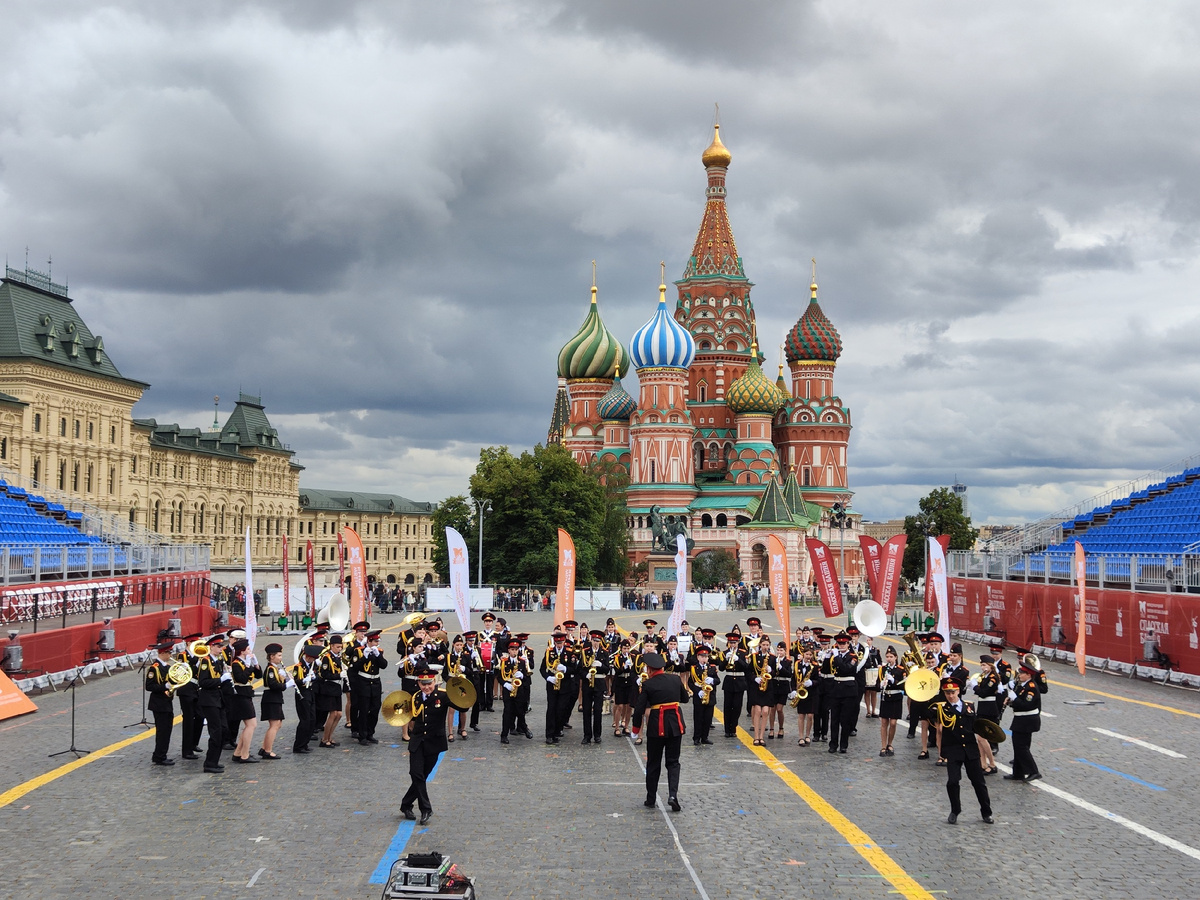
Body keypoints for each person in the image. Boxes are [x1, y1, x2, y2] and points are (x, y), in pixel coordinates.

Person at [631, 651, 687, 812]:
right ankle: (673, 796)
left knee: (653, 763)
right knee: (673, 762)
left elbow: (640, 708)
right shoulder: (675, 679)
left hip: (657, 726)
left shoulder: (648, 684)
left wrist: (635, 729)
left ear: (649, 669)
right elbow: (685, 699)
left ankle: (650, 798)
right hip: (675, 725)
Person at [937, 677, 994, 824]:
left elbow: (975, 727)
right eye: (947, 692)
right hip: (953, 750)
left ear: (958, 691)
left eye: (953, 692)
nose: (950, 695)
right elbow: (938, 729)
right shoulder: (941, 709)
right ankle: (955, 810)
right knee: (953, 781)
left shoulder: (969, 706)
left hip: (970, 749)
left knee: (979, 782)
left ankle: (986, 812)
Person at [400, 669, 448, 825]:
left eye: (429, 683)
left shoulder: (443, 695)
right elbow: (409, 715)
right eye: (423, 684)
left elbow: (462, 705)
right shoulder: (415, 698)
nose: (426, 687)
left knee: (422, 776)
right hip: (417, 741)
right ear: (418, 683)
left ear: (434, 682)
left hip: (434, 742)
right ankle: (426, 809)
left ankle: (406, 804)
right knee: (416, 773)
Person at [1004, 660, 1043, 783]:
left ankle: (1034, 771)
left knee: (1022, 747)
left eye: (1022, 673)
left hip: (1026, 721)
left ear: (1029, 675)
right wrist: (1010, 701)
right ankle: (1018, 773)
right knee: (1018, 746)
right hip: (1021, 719)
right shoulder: (1023, 685)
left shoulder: (1031, 687)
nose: (1019, 675)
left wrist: (1014, 700)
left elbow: (1026, 704)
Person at [195, 637, 229, 774]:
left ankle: (214, 760)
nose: (221, 648)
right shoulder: (205, 661)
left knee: (224, 730)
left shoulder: (218, 661)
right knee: (216, 732)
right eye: (218, 646)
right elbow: (203, 682)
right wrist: (220, 680)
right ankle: (210, 763)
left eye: (221, 645)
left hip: (218, 699)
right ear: (211, 647)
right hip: (209, 700)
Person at [826, 631, 861, 755]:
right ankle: (833, 744)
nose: (841, 645)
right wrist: (826, 658)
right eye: (839, 643)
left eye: (844, 643)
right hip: (836, 689)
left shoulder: (853, 657)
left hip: (848, 690)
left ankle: (844, 745)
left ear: (848, 644)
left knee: (845, 720)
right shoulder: (834, 656)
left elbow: (847, 669)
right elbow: (826, 669)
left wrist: (835, 657)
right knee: (834, 719)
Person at [352, 630, 388, 745]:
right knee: (363, 710)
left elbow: (384, 665)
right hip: (364, 682)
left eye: (378, 641)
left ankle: (370, 733)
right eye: (375, 641)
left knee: (375, 709)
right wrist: (365, 657)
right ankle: (362, 735)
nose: (377, 643)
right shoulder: (359, 651)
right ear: (369, 641)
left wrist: (378, 656)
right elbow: (355, 667)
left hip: (376, 682)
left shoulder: (379, 651)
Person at [540, 631, 577, 744]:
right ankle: (549, 734)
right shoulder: (549, 652)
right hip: (552, 684)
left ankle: (557, 731)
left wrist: (566, 669)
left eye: (561, 642)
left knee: (561, 709)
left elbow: (575, 669)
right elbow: (542, 669)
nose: (559, 645)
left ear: (564, 641)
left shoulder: (570, 653)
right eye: (557, 643)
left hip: (565, 686)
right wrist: (548, 678)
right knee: (551, 709)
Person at [145, 641, 177, 766]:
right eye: (169, 652)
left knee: (167, 730)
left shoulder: (167, 667)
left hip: (167, 702)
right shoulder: (155, 668)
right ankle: (159, 756)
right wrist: (165, 686)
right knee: (162, 731)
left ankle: (162, 754)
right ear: (163, 653)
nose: (170, 655)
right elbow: (149, 686)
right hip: (158, 703)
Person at [230, 639, 262, 764]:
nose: (250, 651)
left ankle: (238, 752)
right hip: (240, 695)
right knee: (251, 725)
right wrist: (248, 666)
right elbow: (242, 679)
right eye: (248, 649)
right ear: (242, 651)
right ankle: (244, 754)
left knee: (250, 725)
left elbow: (259, 675)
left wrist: (256, 664)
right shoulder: (236, 663)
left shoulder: (245, 662)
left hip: (246, 694)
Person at [970, 655, 1001, 774]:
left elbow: (983, 693)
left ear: (991, 666)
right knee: (979, 738)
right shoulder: (985, 677)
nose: (982, 667)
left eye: (984, 665)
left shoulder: (993, 678)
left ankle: (992, 764)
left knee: (983, 738)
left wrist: (975, 687)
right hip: (983, 707)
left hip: (989, 708)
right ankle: (983, 764)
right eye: (982, 665)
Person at [580, 629, 611, 745]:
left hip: (598, 683)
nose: (596, 643)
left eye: (598, 641)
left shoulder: (604, 653)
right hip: (588, 683)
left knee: (598, 710)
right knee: (586, 710)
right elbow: (580, 669)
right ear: (591, 640)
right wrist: (585, 675)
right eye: (594, 640)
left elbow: (607, 669)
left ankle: (597, 735)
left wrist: (601, 665)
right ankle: (587, 735)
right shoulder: (585, 652)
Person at [258, 642, 288, 760]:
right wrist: (286, 684)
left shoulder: (275, 669)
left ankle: (264, 747)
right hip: (271, 698)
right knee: (274, 725)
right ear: (272, 656)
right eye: (279, 655)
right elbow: (273, 685)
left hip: (275, 698)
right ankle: (267, 750)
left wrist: (284, 679)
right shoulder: (270, 669)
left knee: (278, 723)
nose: (281, 658)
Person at [498, 636, 530, 744]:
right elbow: (499, 677)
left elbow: (526, 676)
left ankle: (524, 728)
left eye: (516, 650)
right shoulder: (504, 662)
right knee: (507, 712)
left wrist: (522, 676)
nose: (514, 652)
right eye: (512, 649)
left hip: (519, 690)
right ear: (509, 650)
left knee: (520, 711)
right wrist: (505, 685)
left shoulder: (521, 662)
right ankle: (504, 734)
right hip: (508, 689)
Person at [316, 635, 346, 748]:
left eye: (340, 647)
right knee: (333, 714)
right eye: (337, 647)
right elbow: (324, 674)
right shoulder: (326, 658)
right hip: (329, 687)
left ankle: (330, 737)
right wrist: (338, 675)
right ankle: (324, 739)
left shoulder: (338, 657)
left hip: (337, 687)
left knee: (339, 714)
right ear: (331, 646)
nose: (339, 649)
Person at [686, 646, 720, 745]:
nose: (704, 658)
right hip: (699, 697)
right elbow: (690, 683)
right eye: (702, 656)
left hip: (710, 696)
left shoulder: (712, 668)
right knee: (698, 718)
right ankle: (696, 738)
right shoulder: (693, 669)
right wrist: (697, 691)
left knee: (708, 718)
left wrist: (712, 680)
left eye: (706, 656)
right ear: (698, 657)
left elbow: (718, 680)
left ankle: (705, 737)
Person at [291, 643, 321, 754]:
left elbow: (318, 675)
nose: (314, 660)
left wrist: (314, 677)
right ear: (308, 657)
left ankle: (305, 743)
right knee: (305, 720)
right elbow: (295, 681)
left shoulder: (313, 665)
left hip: (311, 693)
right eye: (313, 658)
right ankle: (298, 746)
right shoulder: (298, 667)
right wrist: (303, 680)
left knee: (312, 720)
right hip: (302, 695)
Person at [878, 646, 906, 757]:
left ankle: (890, 743)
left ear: (895, 657)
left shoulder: (901, 669)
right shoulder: (883, 669)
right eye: (887, 657)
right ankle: (884, 746)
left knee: (893, 722)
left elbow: (904, 685)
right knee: (884, 722)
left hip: (896, 698)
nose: (889, 659)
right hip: (886, 697)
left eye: (891, 657)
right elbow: (877, 683)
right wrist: (880, 685)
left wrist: (894, 680)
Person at [718, 631, 746, 737]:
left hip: (739, 680)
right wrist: (725, 660)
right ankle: (727, 729)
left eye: (734, 642)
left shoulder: (743, 653)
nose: (733, 645)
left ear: (738, 642)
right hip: (729, 680)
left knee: (737, 706)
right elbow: (721, 668)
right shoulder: (725, 653)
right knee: (727, 706)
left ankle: (733, 727)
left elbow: (746, 667)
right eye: (731, 643)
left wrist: (738, 660)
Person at [612, 638, 636, 736]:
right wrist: (624, 666)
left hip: (629, 683)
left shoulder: (633, 657)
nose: (626, 650)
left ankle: (626, 726)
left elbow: (635, 669)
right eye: (624, 648)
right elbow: (617, 670)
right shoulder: (617, 657)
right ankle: (617, 727)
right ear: (621, 649)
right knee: (620, 705)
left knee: (629, 706)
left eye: (627, 648)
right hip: (620, 683)